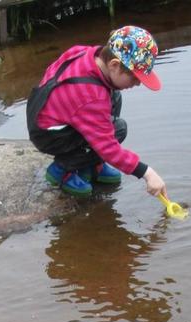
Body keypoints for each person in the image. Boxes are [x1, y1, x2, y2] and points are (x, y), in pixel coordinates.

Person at [27, 24, 167, 200]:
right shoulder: (91, 97)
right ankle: (61, 170)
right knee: (118, 129)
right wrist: (147, 172)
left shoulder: (87, 52)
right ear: (114, 65)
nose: (138, 83)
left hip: (42, 111)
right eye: (135, 77)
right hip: (50, 135)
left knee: (114, 95)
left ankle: (93, 164)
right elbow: (108, 147)